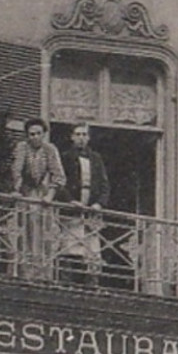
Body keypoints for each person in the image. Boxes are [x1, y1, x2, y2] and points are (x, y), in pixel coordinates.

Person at [11, 118, 66, 280]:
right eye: (31, 134)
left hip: (42, 195)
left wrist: (49, 195)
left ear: (44, 134)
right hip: (25, 194)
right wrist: (17, 189)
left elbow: (59, 175)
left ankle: (43, 274)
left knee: (43, 235)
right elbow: (16, 170)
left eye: (38, 134)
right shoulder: (22, 148)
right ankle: (23, 272)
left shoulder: (50, 149)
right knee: (24, 233)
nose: (34, 137)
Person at [58, 122, 110, 284]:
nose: (81, 138)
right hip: (72, 211)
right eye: (78, 134)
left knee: (92, 250)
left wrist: (99, 204)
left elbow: (104, 185)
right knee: (69, 248)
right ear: (72, 137)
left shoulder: (96, 158)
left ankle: (92, 285)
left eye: (84, 135)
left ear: (88, 138)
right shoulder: (65, 157)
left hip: (91, 212)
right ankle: (66, 284)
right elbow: (59, 182)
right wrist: (70, 200)